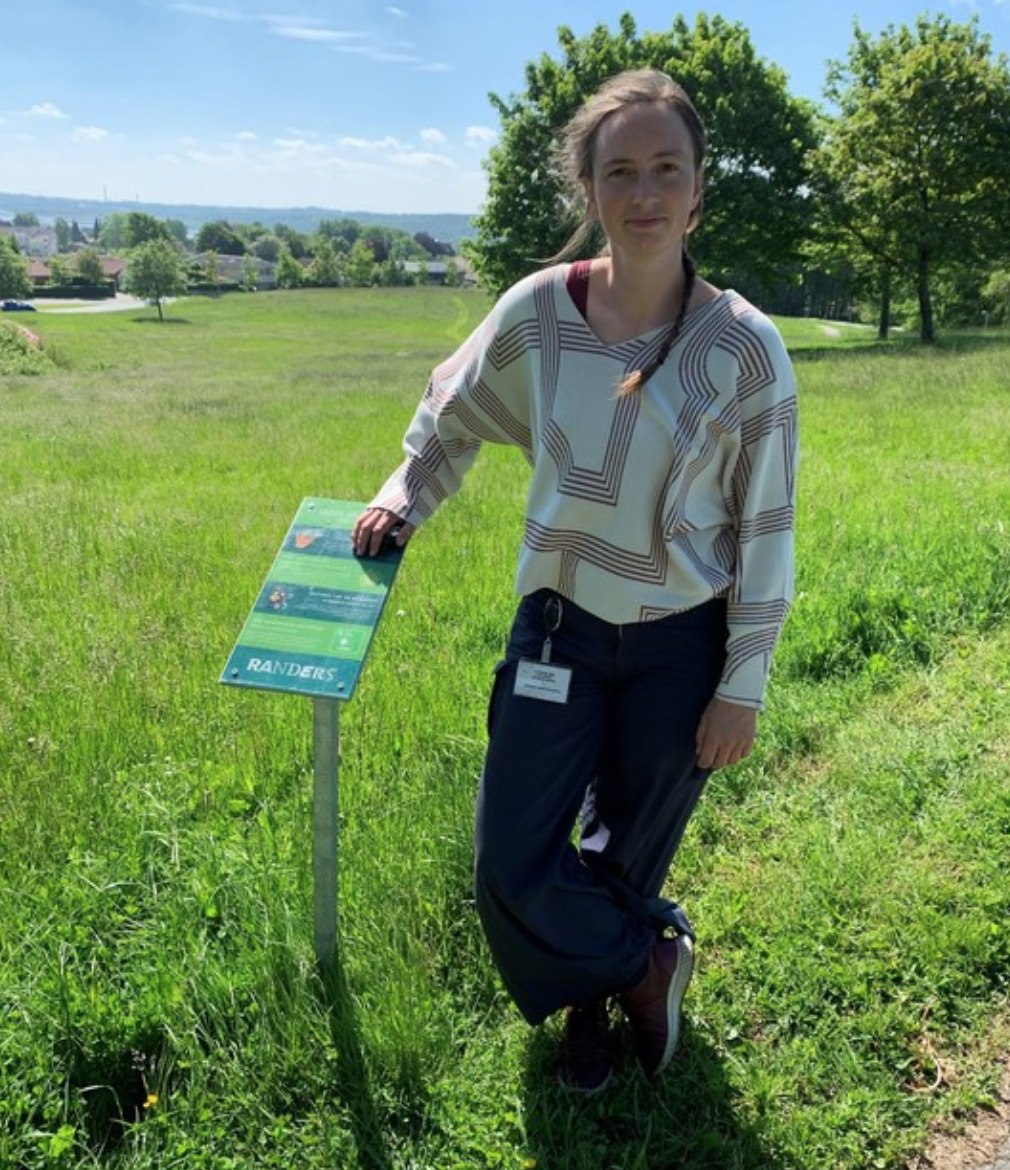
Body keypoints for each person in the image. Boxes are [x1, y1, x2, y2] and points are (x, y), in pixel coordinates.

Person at [352, 68, 797, 1094]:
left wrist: (744, 680)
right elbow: (448, 412)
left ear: (696, 192)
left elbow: (767, 525)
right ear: (588, 190)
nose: (642, 193)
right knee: (510, 860)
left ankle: (589, 1014)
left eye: (664, 170)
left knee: (626, 848)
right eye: (618, 172)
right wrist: (401, 498)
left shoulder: (744, 350)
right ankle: (647, 962)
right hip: (556, 627)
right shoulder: (538, 313)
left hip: (681, 643)